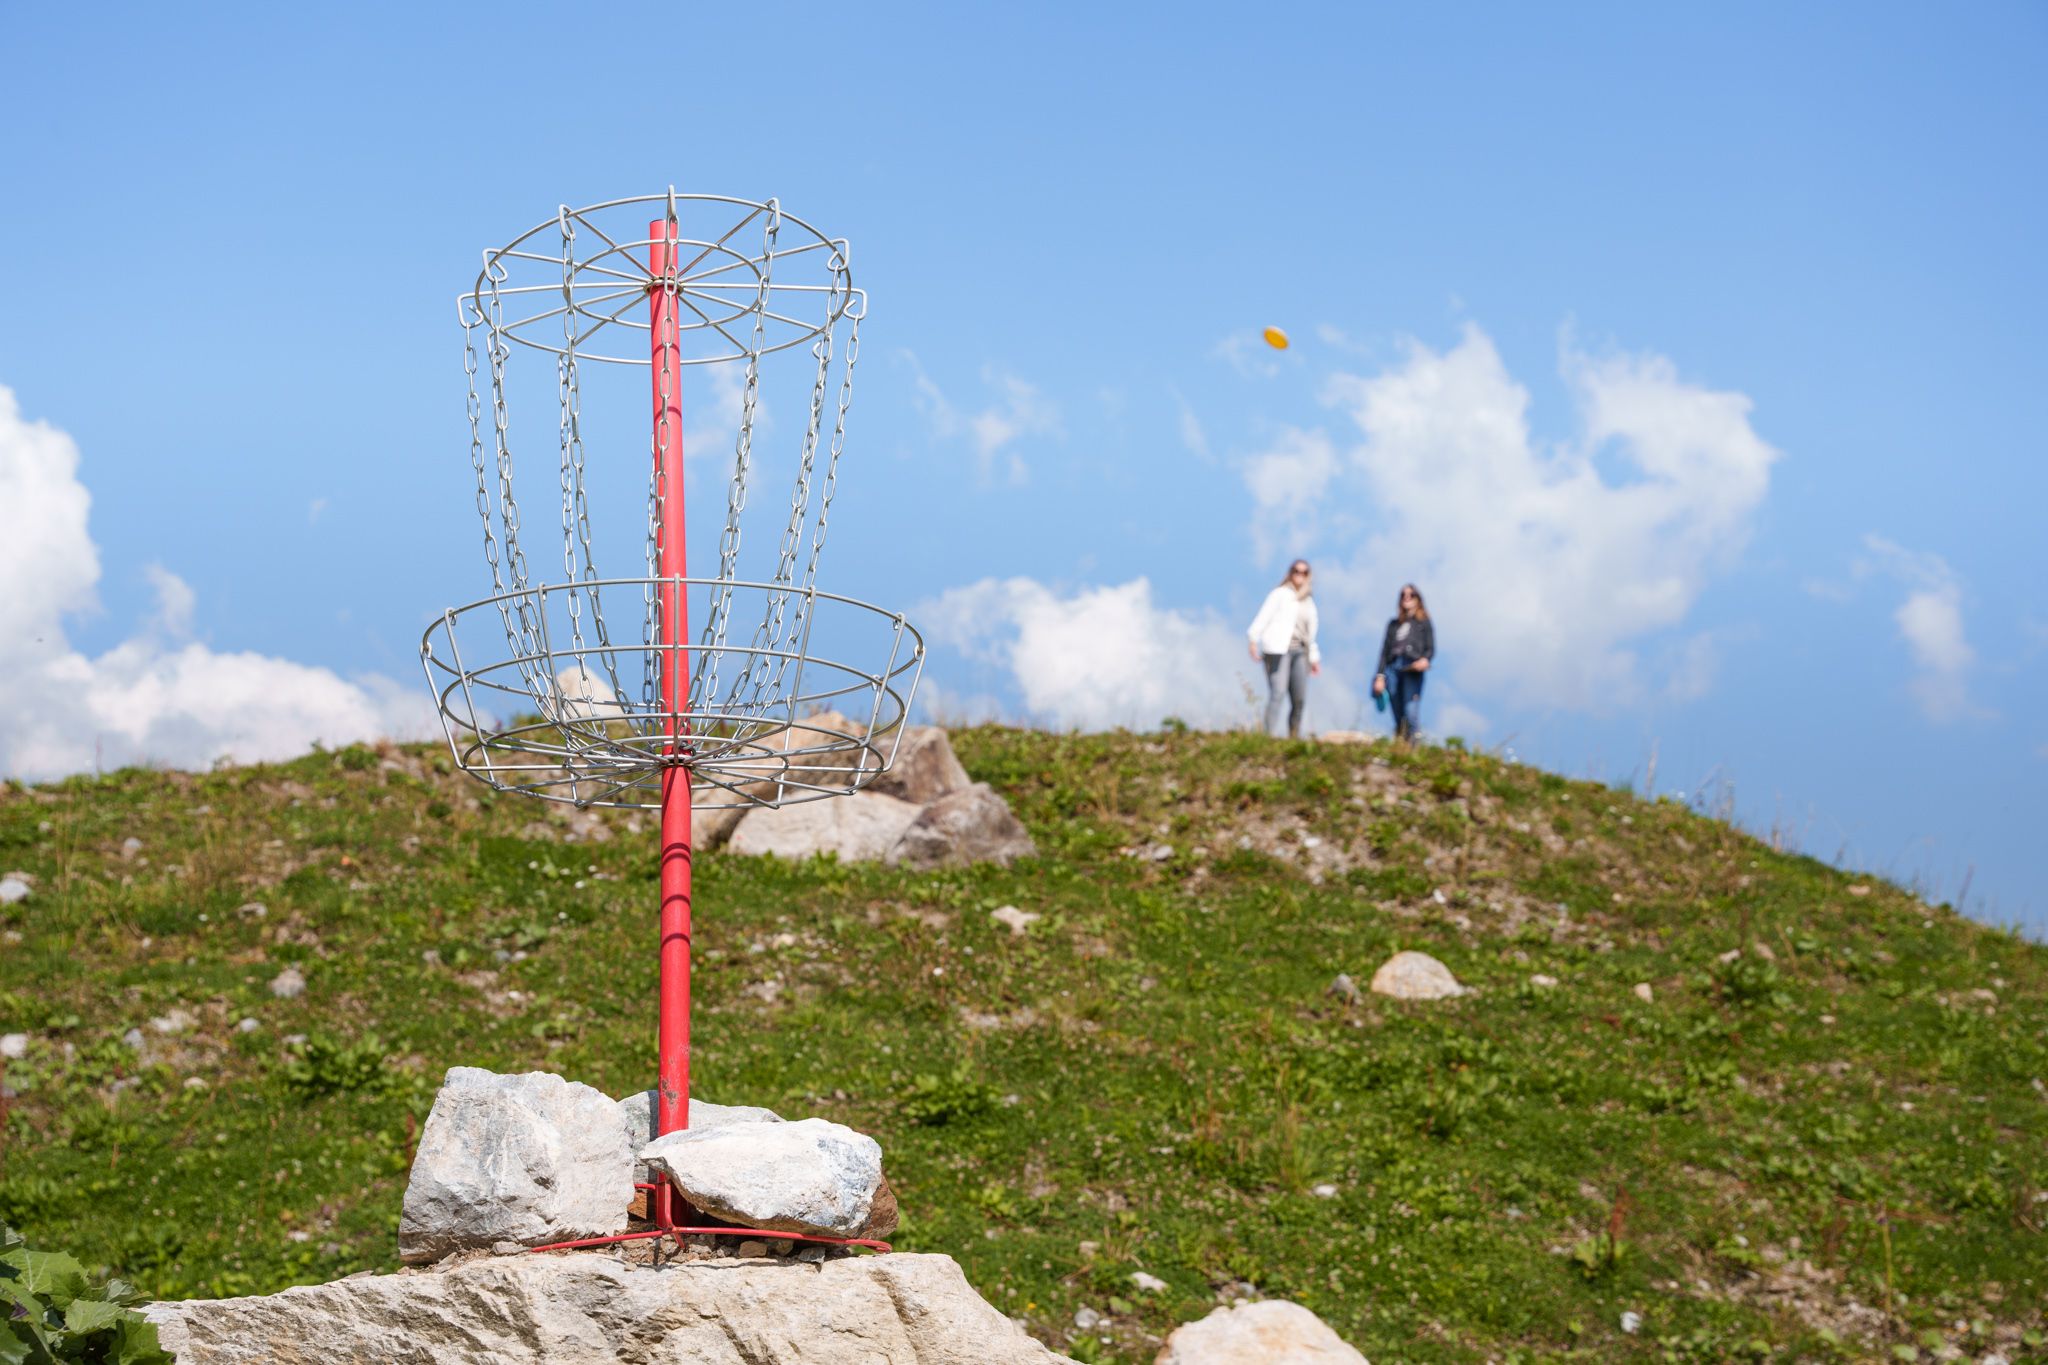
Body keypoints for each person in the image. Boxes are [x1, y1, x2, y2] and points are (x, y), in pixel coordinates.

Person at [1246, 560, 1321, 738]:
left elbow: (1310, 634)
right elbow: (1263, 616)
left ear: (1308, 575)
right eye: (1296, 571)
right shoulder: (1279, 594)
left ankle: (1293, 737)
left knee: (1299, 699)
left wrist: (1314, 657)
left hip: (1301, 653)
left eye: (1304, 572)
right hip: (1279, 650)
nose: (1299, 574)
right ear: (1290, 572)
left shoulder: (1308, 601)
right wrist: (1253, 639)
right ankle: (1267, 735)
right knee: (1278, 693)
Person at [1372, 583, 1433, 741]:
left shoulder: (1424, 623)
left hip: (1411, 668)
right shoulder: (1393, 625)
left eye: (1411, 595)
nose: (1407, 598)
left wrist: (1425, 660)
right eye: (1403, 595)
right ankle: (1401, 743)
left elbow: (1430, 649)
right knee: (1397, 709)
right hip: (1392, 668)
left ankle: (1413, 746)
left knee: (1410, 709)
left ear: (1418, 599)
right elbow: (1384, 652)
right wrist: (1379, 676)